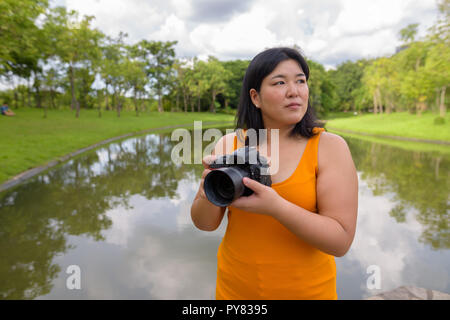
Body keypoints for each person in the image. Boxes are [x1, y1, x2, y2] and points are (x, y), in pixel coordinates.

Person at [190, 47, 358, 300]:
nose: (294, 91)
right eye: (280, 82)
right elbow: (204, 223)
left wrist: (276, 207)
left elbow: (340, 241)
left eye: (300, 81)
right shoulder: (229, 144)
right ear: (256, 97)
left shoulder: (329, 147)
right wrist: (208, 189)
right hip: (234, 293)